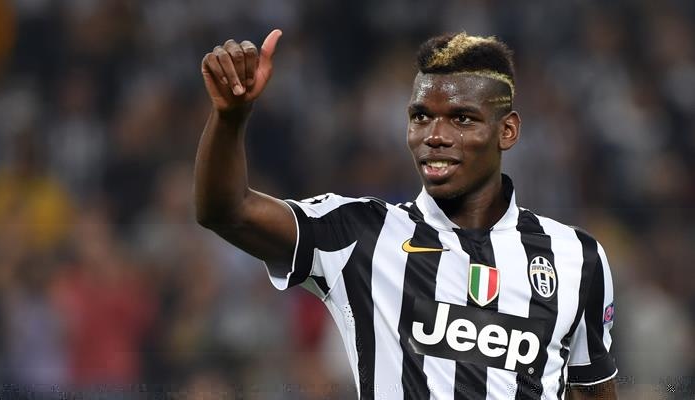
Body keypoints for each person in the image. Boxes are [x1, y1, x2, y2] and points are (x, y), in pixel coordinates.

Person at [195, 29, 618, 400]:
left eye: (461, 119)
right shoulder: (360, 234)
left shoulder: (575, 257)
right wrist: (229, 118)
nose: (435, 136)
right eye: (421, 117)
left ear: (506, 131)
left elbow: (592, 391)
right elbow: (226, 211)